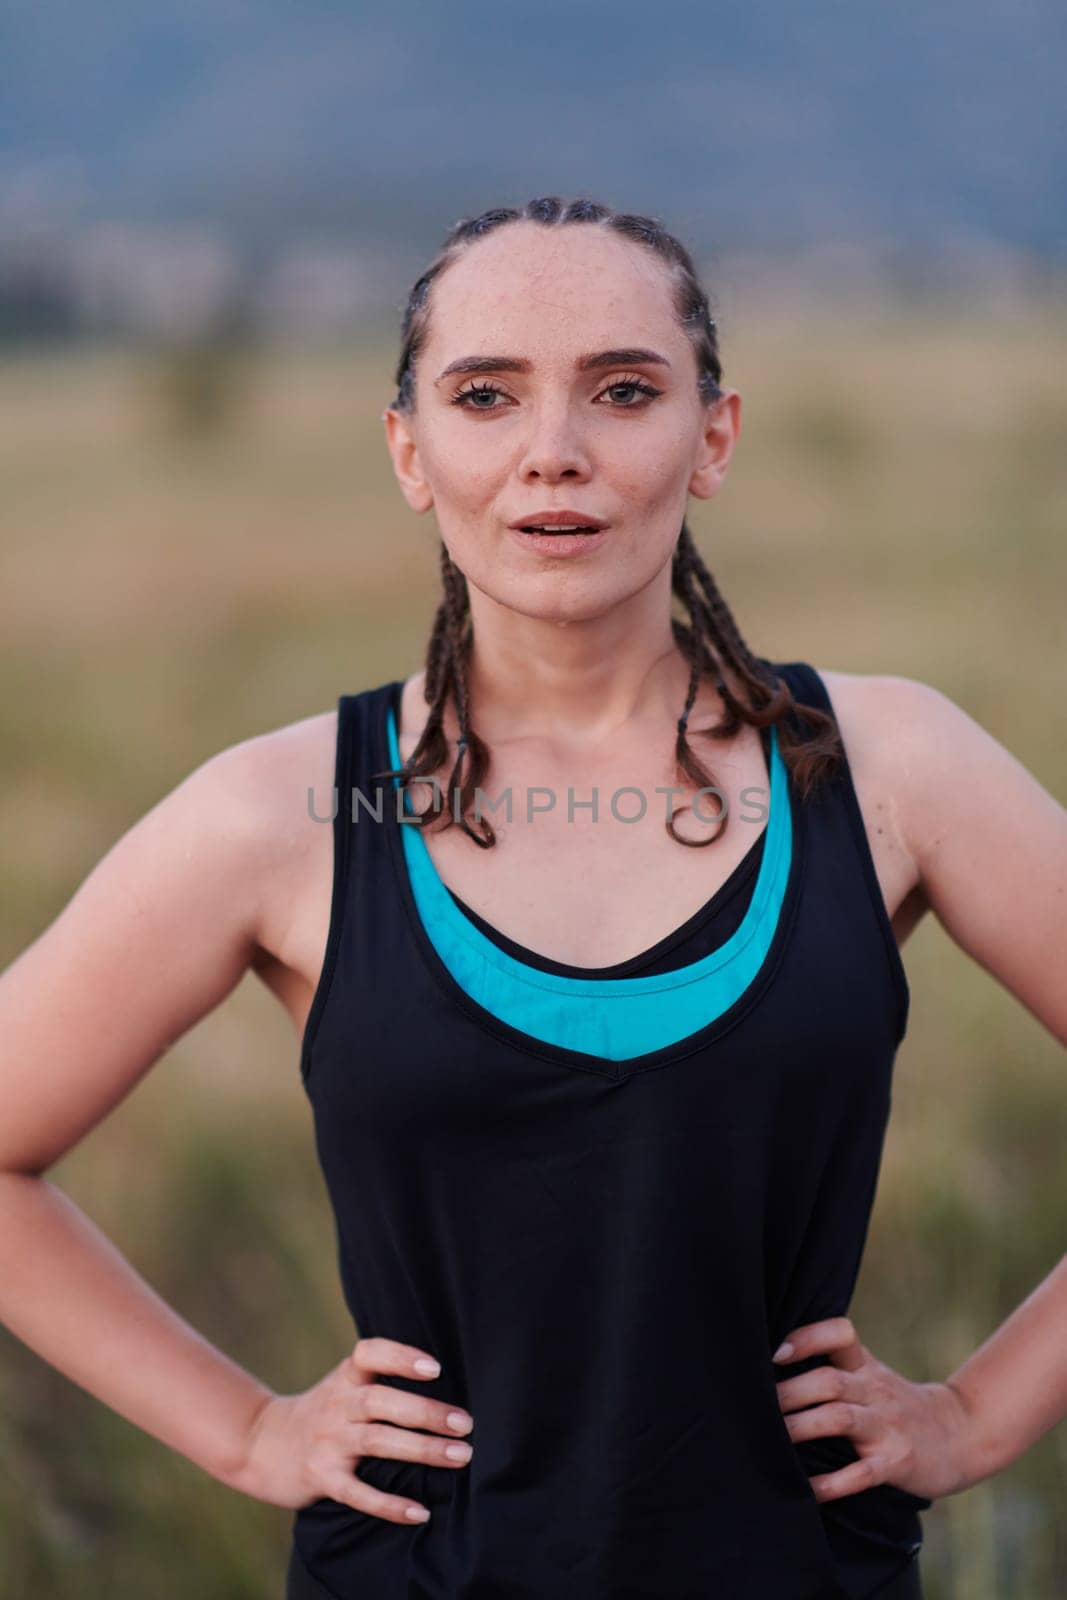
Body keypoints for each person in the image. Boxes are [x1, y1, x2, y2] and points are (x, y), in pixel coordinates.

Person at [0, 196, 1064, 1600]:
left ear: (715, 434)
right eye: (484, 395)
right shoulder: (296, 813)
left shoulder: (884, 770)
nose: (553, 452)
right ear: (410, 451)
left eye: (624, 391)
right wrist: (251, 1430)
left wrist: (982, 1412)